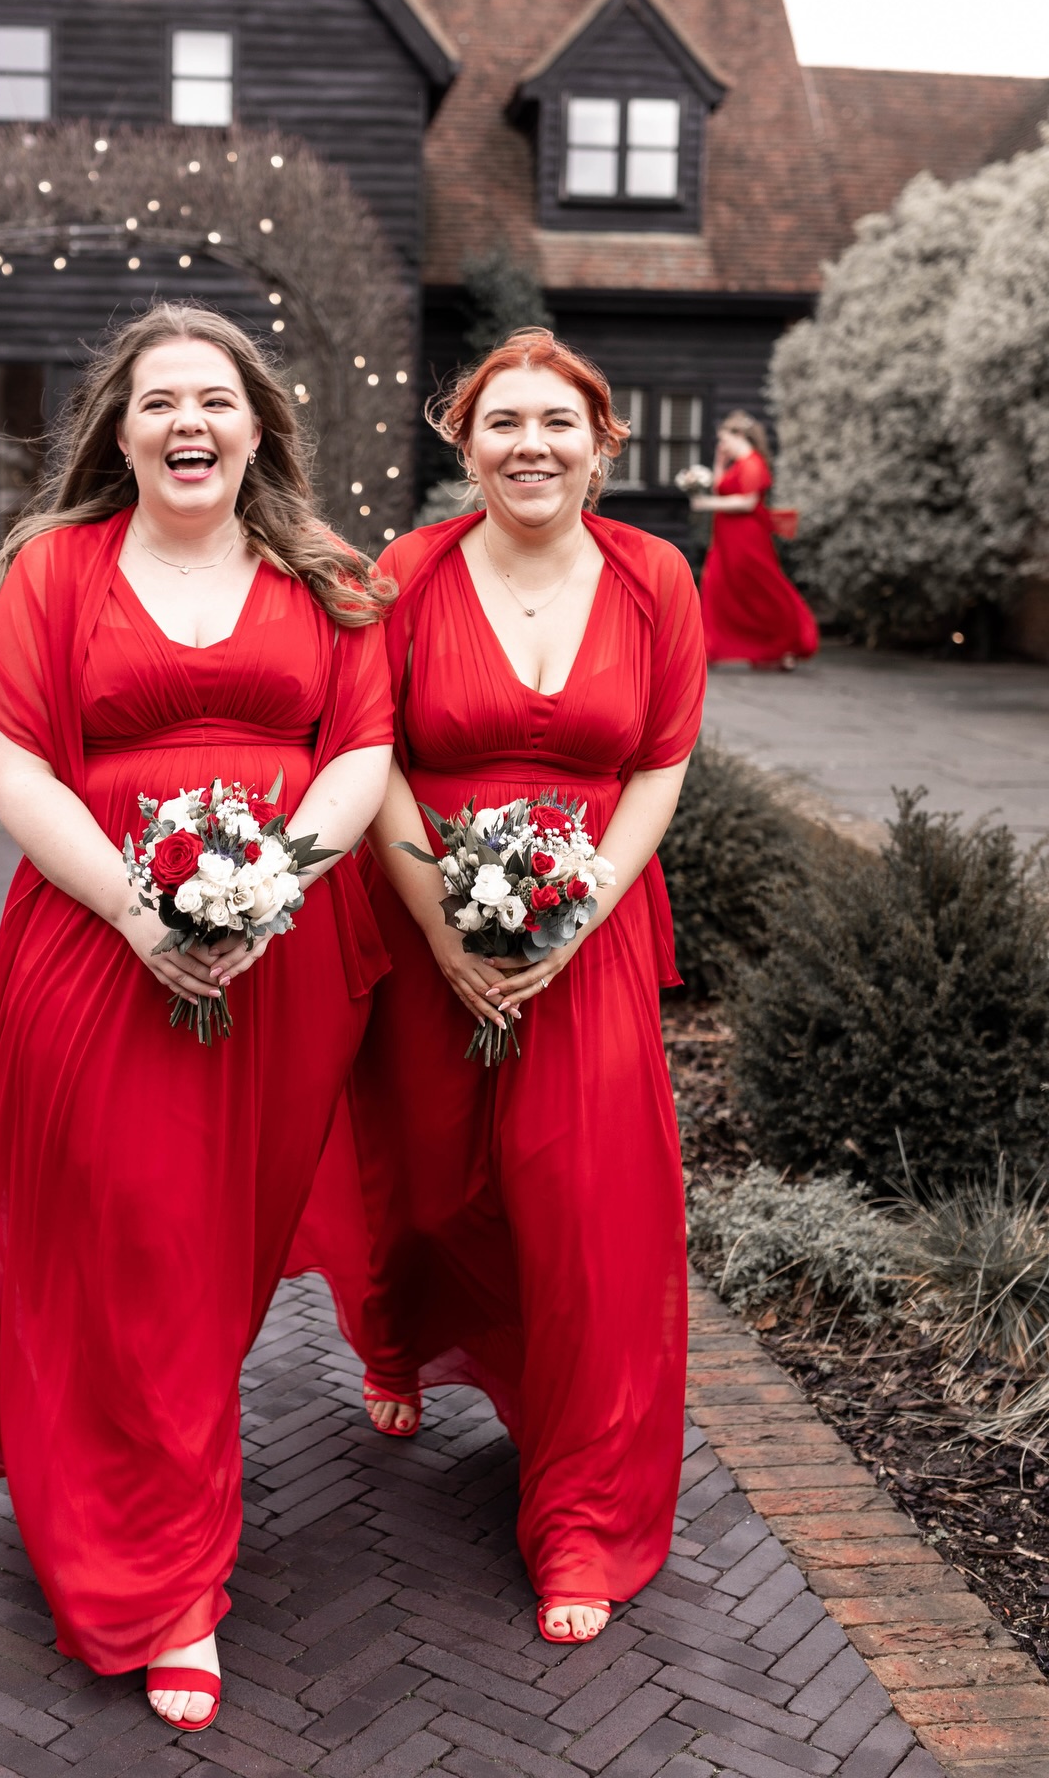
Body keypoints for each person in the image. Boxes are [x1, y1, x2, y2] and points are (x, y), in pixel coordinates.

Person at [0, 305, 394, 1730]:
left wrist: (270, 900)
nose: (187, 422)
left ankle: (137, 1477)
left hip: (281, 967)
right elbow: (19, 768)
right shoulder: (53, 571)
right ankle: (166, 1588)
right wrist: (147, 919)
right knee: (132, 1241)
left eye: (215, 398)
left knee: (212, 1263)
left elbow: (360, 753)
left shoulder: (328, 575)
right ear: (121, 430)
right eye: (159, 402)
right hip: (100, 951)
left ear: (258, 422)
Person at [341, 328, 705, 1648]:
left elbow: (663, 759)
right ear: (465, 441)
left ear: (600, 441)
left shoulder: (656, 573)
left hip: (588, 935)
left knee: (586, 1214)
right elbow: (366, 752)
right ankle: (401, 1333)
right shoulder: (406, 574)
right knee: (434, 1187)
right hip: (428, 911)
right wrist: (442, 927)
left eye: (560, 422)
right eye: (505, 423)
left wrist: (583, 909)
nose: (532, 445)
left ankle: (580, 1515)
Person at [692, 409, 817, 668]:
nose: (721, 444)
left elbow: (747, 502)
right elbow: (722, 487)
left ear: (739, 435)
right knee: (718, 585)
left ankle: (788, 642)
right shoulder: (738, 464)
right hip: (726, 538)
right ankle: (711, 646)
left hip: (745, 538)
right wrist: (719, 462)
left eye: (724, 439)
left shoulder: (752, 463)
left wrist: (707, 503)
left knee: (760, 589)